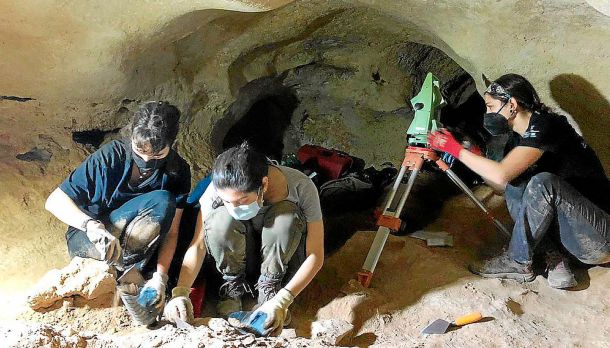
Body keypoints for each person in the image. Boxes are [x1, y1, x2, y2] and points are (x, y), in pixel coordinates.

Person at [428, 73, 610, 289]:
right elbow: (500, 185)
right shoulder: (516, 142)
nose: (487, 113)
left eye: (490, 106)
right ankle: (555, 259)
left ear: (512, 104)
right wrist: (472, 154)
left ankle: (517, 261)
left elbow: (501, 174)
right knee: (517, 185)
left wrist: (455, 150)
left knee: (543, 183)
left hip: (599, 236)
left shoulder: (548, 125)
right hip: (571, 244)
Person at [164, 142, 324, 336]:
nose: (234, 206)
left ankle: (270, 292)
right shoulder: (214, 191)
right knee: (219, 218)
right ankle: (232, 290)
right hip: (238, 260)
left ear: (263, 184)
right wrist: (180, 292)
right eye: (227, 201)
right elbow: (198, 246)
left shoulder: (300, 186)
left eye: (242, 201)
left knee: (286, 216)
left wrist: (283, 300)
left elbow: (315, 254)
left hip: (281, 259)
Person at [45, 101, 191, 308]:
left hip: (136, 247)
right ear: (132, 137)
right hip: (91, 240)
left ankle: (131, 276)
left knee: (163, 200)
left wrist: (161, 277)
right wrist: (90, 225)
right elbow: (54, 200)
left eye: (157, 154)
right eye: (140, 150)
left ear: (172, 144)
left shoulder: (178, 171)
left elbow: (172, 232)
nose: (147, 159)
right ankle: (118, 274)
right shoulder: (111, 156)